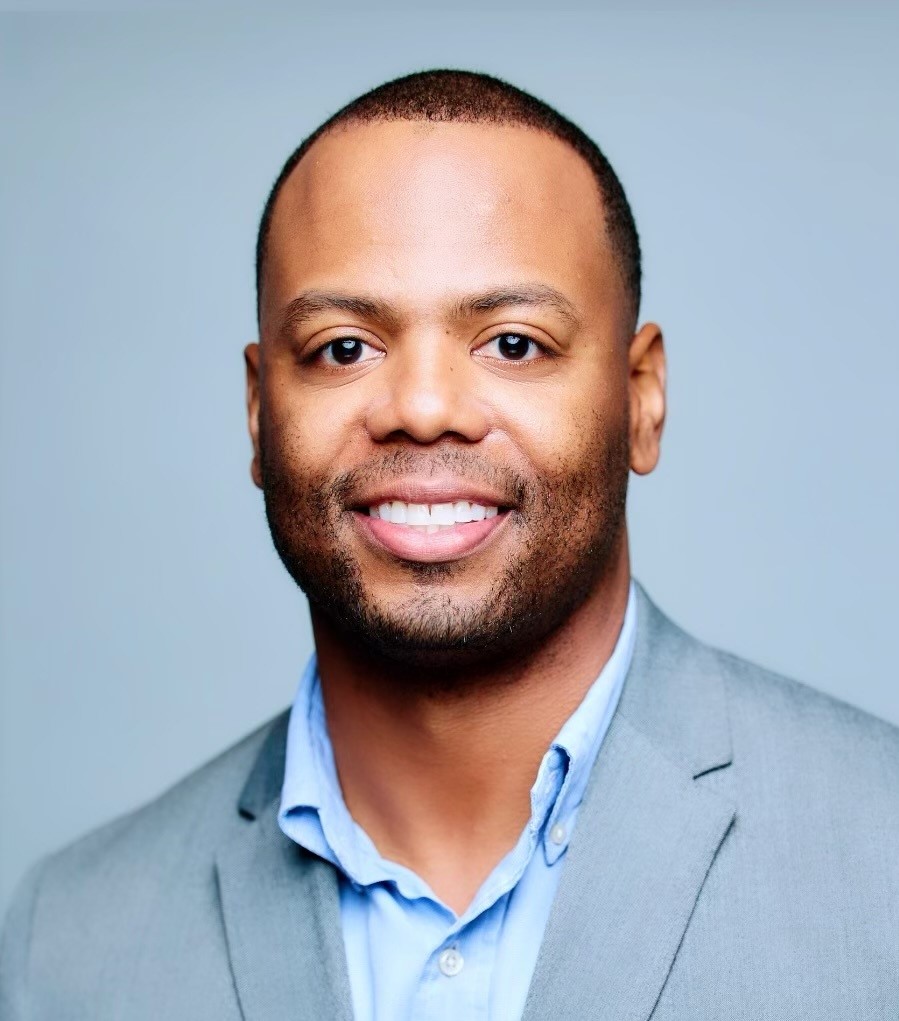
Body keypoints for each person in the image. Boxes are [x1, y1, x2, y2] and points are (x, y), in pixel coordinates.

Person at [2, 68, 897, 1021]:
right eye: (343, 347)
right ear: (259, 414)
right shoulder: (69, 940)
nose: (423, 410)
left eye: (513, 343)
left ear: (641, 398)